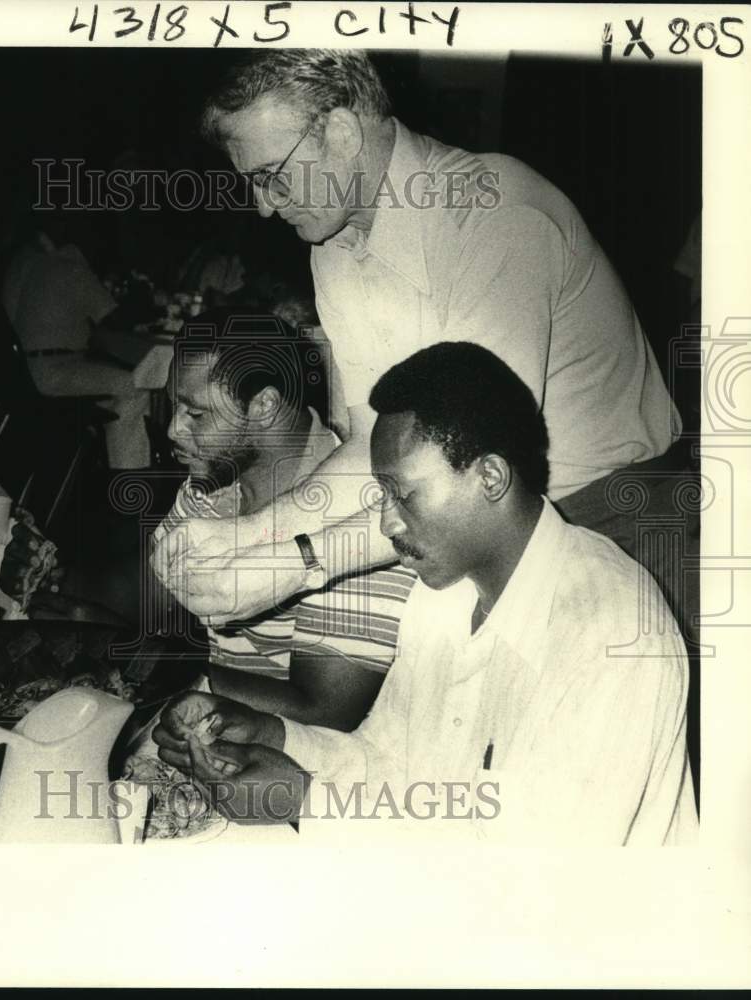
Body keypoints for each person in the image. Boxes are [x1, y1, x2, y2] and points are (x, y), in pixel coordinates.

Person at [154, 49, 697, 652]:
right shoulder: (335, 244)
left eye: (271, 175)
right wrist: (251, 534)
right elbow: (370, 446)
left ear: (339, 130)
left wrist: (296, 563)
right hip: (495, 530)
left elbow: (469, 475)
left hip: (625, 526)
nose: (262, 205)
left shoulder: (493, 214)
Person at [154, 343, 697, 846]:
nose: (387, 523)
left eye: (402, 495)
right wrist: (273, 735)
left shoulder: (611, 629)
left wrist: (304, 800)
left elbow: (533, 879)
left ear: (489, 478)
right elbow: (388, 761)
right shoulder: (444, 593)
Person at [151, 308, 417, 729]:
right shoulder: (213, 481)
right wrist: (59, 584)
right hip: (209, 729)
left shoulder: (357, 516)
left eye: (195, 414)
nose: (172, 431)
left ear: (264, 405)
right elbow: (153, 594)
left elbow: (325, 710)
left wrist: (166, 677)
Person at [1, 222, 152, 469]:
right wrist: (142, 299)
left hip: (27, 369)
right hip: (52, 373)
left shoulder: (41, 265)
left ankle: (105, 465)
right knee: (135, 385)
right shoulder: (73, 269)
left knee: (115, 386)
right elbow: (116, 320)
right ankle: (129, 477)